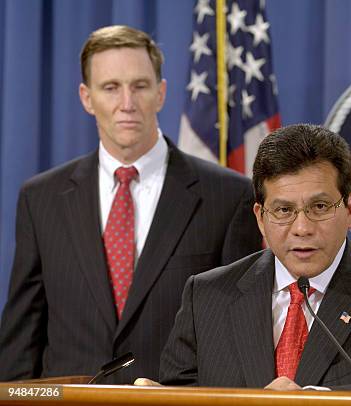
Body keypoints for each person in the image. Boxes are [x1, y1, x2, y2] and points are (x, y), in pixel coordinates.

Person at [0, 25, 261, 384]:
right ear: (86, 97)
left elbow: (237, 334)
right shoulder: (41, 198)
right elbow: (23, 334)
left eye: (140, 86)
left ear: (161, 93)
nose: (127, 103)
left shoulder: (229, 196)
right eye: (110, 88)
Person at [152, 124, 351, 391]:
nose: (302, 228)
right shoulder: (207, 295)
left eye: (319, 206)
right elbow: (182, 393)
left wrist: (309, 401)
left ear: (350, 209)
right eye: (283, 210)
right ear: (260, 218)